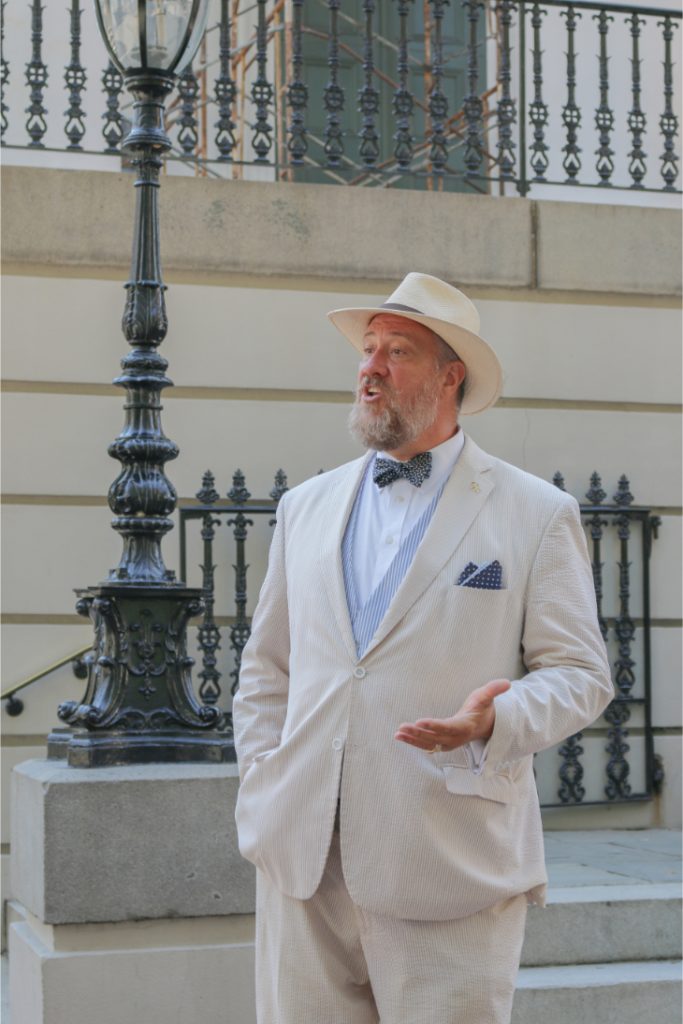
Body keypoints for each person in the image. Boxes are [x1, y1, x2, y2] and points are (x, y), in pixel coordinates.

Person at [232, 272, 613, 1024]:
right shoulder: (304, 507)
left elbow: (580, 674)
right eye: (367, 349)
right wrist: (263, 779)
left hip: (448, 863)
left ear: (450, 376)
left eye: (397, 351)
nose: (370, 368)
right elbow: (266, 668)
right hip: (300, 860)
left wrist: (495, 721)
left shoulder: (536, 512)